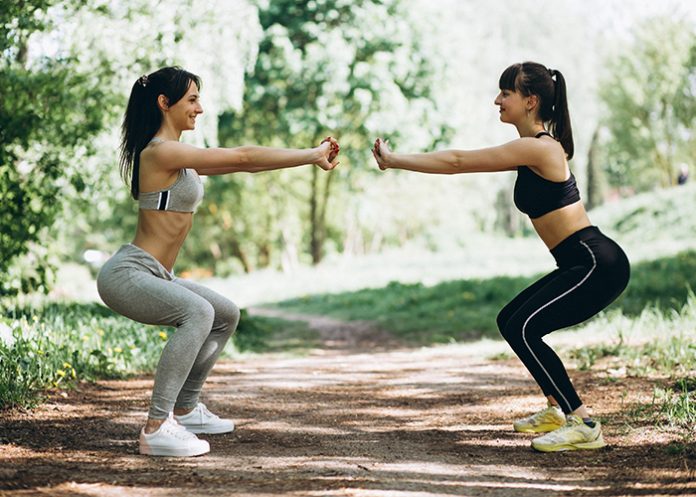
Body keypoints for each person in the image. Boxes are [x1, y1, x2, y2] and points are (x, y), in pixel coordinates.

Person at [371, 61, 630, 452]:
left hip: (595, 263)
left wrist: (395, 160)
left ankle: (583, 422)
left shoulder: (541, 148)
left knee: (525, 326)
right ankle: (555, 408)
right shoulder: (533, 150)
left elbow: (458, 163)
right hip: (579, 262)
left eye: (505, 93)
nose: (497, 99)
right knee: (510, 320)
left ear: (531, 101)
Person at [97, 66, 339, 457]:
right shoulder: (160, 151)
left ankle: (185, 409)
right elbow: (243, 156)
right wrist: (311, 154)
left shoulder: (179, 156)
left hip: (155, 272)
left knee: (224, 312)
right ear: (164, 103)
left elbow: (247, 163)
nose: (200, 108)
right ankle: (157, 426)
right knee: (198, 312)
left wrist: (306, 159)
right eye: (192, 100)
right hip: (128, 273)